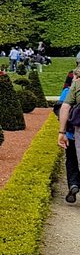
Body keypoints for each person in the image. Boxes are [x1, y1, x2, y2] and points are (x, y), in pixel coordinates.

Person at [57, 61, 80, 202]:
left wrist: (61, 131)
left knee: (72, 160)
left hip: (75, 132)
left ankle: (74, 183)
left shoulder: (75, 87)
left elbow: (63, 108)